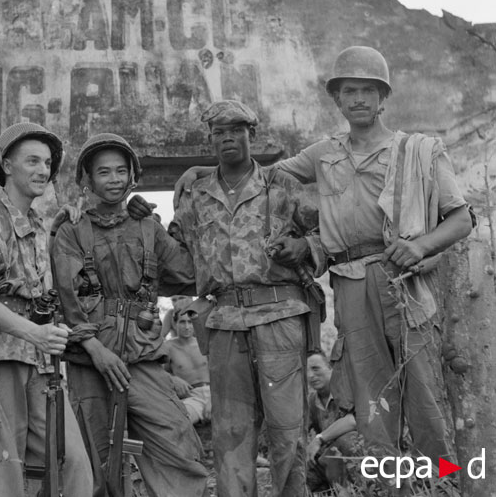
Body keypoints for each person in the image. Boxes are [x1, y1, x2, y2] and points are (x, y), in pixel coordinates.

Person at [174, 48, 472, 489]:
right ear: (337, 100)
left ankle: (447, 482)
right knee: (373, 401)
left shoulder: (417, 150)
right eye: (348, 91)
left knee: (425, 391)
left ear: (382, 96)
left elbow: (462, 218)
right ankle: (394, 487)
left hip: (404, 279)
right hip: (349, 281)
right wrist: (207, 166)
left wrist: (422, 246)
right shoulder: (321, 154)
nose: (357, 99)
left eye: (367, 90)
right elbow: (260, 177)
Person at [156, 100, 323, 497]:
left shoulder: (281, 186)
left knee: (288, 432)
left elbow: (326, 237)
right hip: (225, 321)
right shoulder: (195, 195)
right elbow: (178, 260)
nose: (228, 138)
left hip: (280, 317)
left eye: (237, 130)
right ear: (210, 140)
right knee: (231, 435)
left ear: (252, 135)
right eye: (218, 132)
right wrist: (147, 226)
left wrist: (303, 247)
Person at [51, 133, 208, 497]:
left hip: (141, 359)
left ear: (133, 176)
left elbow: (186, 272)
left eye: (121, 171)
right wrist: (96, 349)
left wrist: (177, 216)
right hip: (90, 362)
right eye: (103, 172)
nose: (114, 179)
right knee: (97, 463)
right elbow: (67, 298)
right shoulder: (72, 230)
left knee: (178, 443)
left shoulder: (147, 226)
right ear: (86, 181)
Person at [0, 121, 92, 497]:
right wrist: (33, 333)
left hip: (39, 364)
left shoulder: (38, 226)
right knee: (1, 479)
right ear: (7, 167)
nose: (43, 170)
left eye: (47, 163)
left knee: (72, 465)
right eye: (32, 161)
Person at [305, 352, 360, 493]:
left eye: (316, 368)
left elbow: (352, 421)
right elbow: (300, 429)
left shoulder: (345, 391)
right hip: (326, 461)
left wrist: (318, 439)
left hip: (351, 457)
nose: (311, 375)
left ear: (330, 367)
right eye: (307, 371)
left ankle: (352, 490)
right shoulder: (311, 401)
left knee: (346, 440)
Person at [163, 298, 211, 426]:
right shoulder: (168, 347)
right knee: (179, 421)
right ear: (175, 324)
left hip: (212, 393)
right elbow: (158, 373)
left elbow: (220, 373)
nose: (187, 327)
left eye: (190, 322)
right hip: (191, 397)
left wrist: (214, 399)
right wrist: (173, 378)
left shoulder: (203, 344)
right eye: (182, 322)